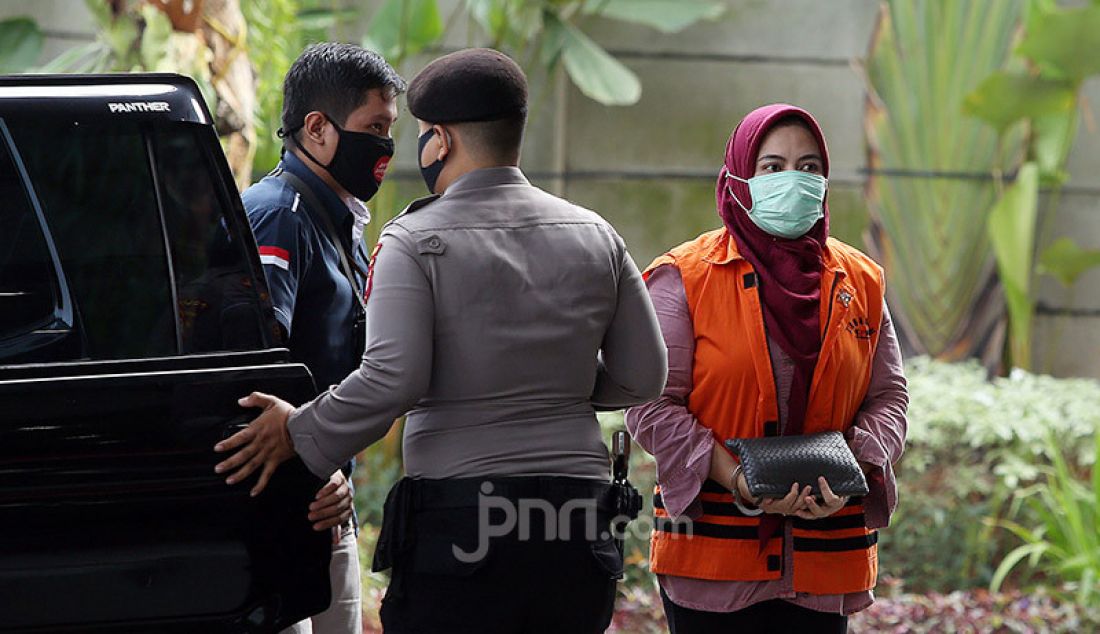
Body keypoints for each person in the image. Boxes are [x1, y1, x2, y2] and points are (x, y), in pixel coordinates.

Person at [214, 48, 668, 633]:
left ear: (441, 141)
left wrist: (301, 436)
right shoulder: (597, 234)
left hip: (462, 523)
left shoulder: (413, 238)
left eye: (404, 131)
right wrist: (559, 387)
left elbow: (394, 377)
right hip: (574, 522)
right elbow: (644, 375)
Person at [625, 103, 908, 633]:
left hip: (826, 557)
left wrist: (851, 474)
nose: (793, 180)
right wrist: (736, 477)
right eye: (772, 167)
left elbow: (888, 395)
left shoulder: (860, 280)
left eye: (808, 167)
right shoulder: (684, 277)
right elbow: (649, 403)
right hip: (714, 559)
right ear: (739, 178)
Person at [239, 42, 406, 633]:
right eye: (375, 127)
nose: (386, 146)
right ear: (317, 129)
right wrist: (316, 461)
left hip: (328, 504)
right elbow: (255, 369)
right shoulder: (278, 215)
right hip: (286, 512)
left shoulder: (339, 220)